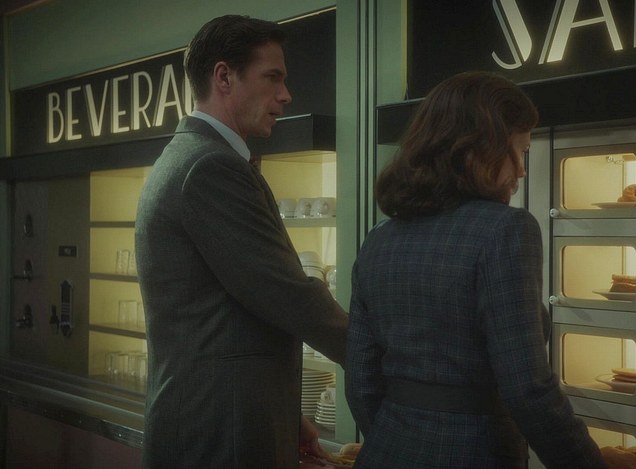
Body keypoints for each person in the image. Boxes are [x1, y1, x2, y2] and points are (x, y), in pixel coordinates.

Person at [345, 71, 609, 468]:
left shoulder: (378, 239)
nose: (522, 170)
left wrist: (394, 438)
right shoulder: (506, 230)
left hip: (386, 450)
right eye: (519, 150)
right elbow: (528, 390)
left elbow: (361, 383)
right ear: (477, 148)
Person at [135, 15, 347, 468]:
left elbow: (228, 317)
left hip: (214, 421)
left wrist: (281, 412)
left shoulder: (191, 157)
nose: (286, 95)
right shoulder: (209, 166)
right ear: (224, 77)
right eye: (273, 77)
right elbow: (285, 292)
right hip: (217, 434)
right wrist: (383, 357)